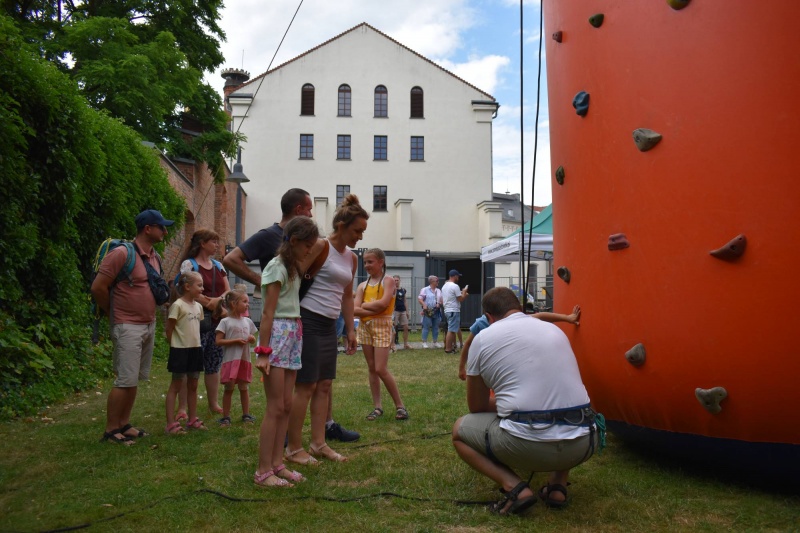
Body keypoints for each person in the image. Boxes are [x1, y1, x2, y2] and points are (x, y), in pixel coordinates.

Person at [224, 188, 360, 443]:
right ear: (298, 210)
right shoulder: (271, 238)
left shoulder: (314, 242)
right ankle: (287, 441)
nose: (312, 215)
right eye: (309, 209)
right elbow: (232, 259)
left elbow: (339, 291)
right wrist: (265, 282)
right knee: (294, 392)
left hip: (305, 321)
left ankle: (313, 434)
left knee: (318, 383)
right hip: (289, 320)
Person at [452, 288, 601, 515]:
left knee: (459, 432)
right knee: (563, 402)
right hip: (585, 441)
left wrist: (507, 403)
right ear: (520, 308)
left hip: (528, 445)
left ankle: (515, 488)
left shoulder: (482, 338)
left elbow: (477, 406)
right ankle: (557, 486)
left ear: (489, 317)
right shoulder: (555, 330)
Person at [285, 194, 368, 465]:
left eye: (363, 232)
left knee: (324, 385)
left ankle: (318, 444)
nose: (360, 237)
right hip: (308, 320)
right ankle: (293, 448)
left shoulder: (352, 259)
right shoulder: (320, 246)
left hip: (329, 324)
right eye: (357, 231)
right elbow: (293, 276)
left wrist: (350, 330)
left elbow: (346, 296)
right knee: (306, 386)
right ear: (342, 226)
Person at [91, 209, 174, 445]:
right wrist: (114, 313)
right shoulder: (121, 254)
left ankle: (124, 424)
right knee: (124, 379)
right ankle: (111, 430)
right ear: (147, 229)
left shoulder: (155, 257)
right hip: (127, 326)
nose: (165, 232)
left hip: (148, 324)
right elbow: (98, 288)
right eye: (161, 227)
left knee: (134, 378)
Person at [254, 216, 319, 488]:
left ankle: (277, 464)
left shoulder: (292, 268)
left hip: (293, 332)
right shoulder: (276, 267)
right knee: (275, 406)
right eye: (307, 245)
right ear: (293, 241)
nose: (310, 250)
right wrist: (263, 352)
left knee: (287, 405)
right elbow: (267, 313)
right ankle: (263, 471)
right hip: (278, 335)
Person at [175, 229, 230, 417]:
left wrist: (218, 301)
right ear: (202, 243)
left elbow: (227, 290)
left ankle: (213, 403)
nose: (217, 245)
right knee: (190, 365)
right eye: (213, 241)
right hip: (194, 322)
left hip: (217, 322)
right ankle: (183, 407)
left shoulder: (218, 266)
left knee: (214, 363)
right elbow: (185, 289)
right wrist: (210, 303)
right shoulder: (189, 265)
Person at [458, 305, 581, 381]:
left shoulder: (508, 320)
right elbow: (468, 344)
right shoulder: (481, 324)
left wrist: (567, 318)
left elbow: (540, 316)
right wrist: (462, 367)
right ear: (489, 317)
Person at [354, 249, 408, 422]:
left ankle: (400, 406)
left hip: (382, 325)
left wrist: (364, 306)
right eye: (365, 262)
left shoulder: (388, 281)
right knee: (372, 368)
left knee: (380, 369)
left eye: (370, 262)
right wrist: (373, 308)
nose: (366, 265)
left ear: (381, 262)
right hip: (365, 327)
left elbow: (384, 304)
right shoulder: (362, 285)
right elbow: (354, 310)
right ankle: (377, 407)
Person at [164, 271, 206, 434]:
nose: (202, 288)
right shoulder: (178, 305)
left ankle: (192, 419)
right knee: (176, 385)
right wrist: (174, 345)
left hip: (195, 349)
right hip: (180, 351)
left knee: (193, 385)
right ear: (188, 287)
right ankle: (170, 423)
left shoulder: (199, 307)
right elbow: (169, 328)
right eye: (199, 285)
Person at [215, 289, 258, 426]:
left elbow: (252, 337)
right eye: (244, 301)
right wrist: (235, 341)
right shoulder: (225, 322)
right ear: (234, 304)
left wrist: (251, 339)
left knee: (244, 387)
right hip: (231, 360)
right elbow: (218, 341)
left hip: (244, 360)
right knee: (229, 388)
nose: (247, 304)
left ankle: (246, 414)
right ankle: (226, 417)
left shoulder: (248, 321)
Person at [441, 269, 469, 354]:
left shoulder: (444, 286)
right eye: (458, 276)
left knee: (452, 329)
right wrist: (464, 292)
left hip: (447, 309)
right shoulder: (455, 286)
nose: (458, 278)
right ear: (455, 276)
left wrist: (462, 294)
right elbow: (460, 299)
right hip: (453, 310)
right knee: (451, 330)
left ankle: (452, 347)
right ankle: (448, 349)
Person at [418, 275, 443, 349]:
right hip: (427, 311)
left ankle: (435, 342)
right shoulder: (424, 289)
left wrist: (439, 303)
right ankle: (424, 342)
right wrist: (424, 305)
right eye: (437, 281)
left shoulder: (438, 290)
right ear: (432, 281)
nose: (438, 282)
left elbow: (442, 300)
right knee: (426, 326)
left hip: (436, 311)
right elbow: (420, 299)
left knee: (436, 327)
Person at [392, 275, 411, 349]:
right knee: (393, 327)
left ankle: (406, 344)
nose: (396, 282)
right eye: (395, 280)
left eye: (397, 280)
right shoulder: (392, 290)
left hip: (403, 310)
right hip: (395, 311)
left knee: (406, 327)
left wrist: (407, 311)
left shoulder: (403, 290)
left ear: (400, 281)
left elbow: (405, 301)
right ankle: (392, 344)